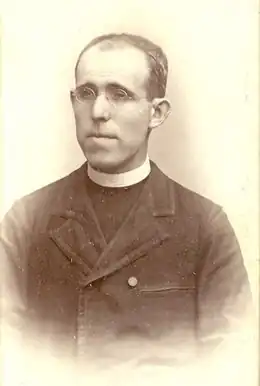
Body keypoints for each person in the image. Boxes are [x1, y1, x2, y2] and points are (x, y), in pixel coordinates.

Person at [1, 33, 252, 365]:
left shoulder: (206, 226)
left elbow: (232, 368)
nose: (99, 111)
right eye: (86, 93)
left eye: (119, 94)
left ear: (156, 113)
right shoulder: (27, 219)